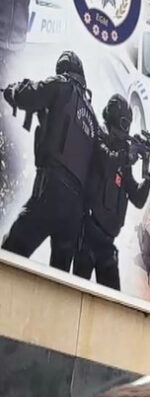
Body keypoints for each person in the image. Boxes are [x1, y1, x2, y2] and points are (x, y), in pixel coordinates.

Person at [1, 50, 99, 271]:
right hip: (75, 210)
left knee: (10, 255)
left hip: (51, 190)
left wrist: (13, 91)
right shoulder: (93, 120)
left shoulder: (61, 84)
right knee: (57, 278)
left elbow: (29, 95)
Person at [74, 94, 150, 290]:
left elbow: (137, 199)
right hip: (88, 232)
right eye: (123, 123)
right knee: (74, 292)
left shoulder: (122, 153)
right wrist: (129, 155)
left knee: (112, 298)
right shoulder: (99, 136)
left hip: (107, 243)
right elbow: (106, 162)